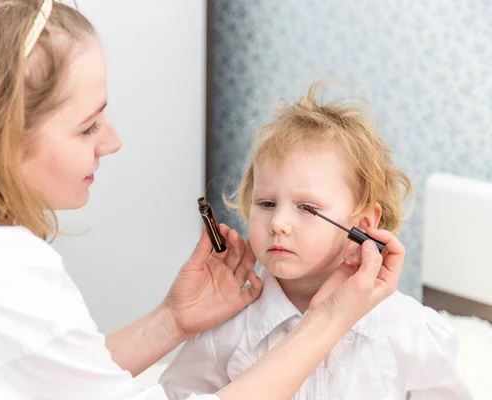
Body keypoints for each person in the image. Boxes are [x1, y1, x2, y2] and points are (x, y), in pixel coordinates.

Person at [0, 1, 405, 399]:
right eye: (87, 125)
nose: (112, 141)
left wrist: (172, 321)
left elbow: (50, 375)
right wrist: (329, 320)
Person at [159, 82, 472, 399]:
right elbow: (178, 393)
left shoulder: (408, 330)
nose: (279, 224)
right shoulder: (224, 330)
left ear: (361, 225)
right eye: (267, 204)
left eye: (307, 208)